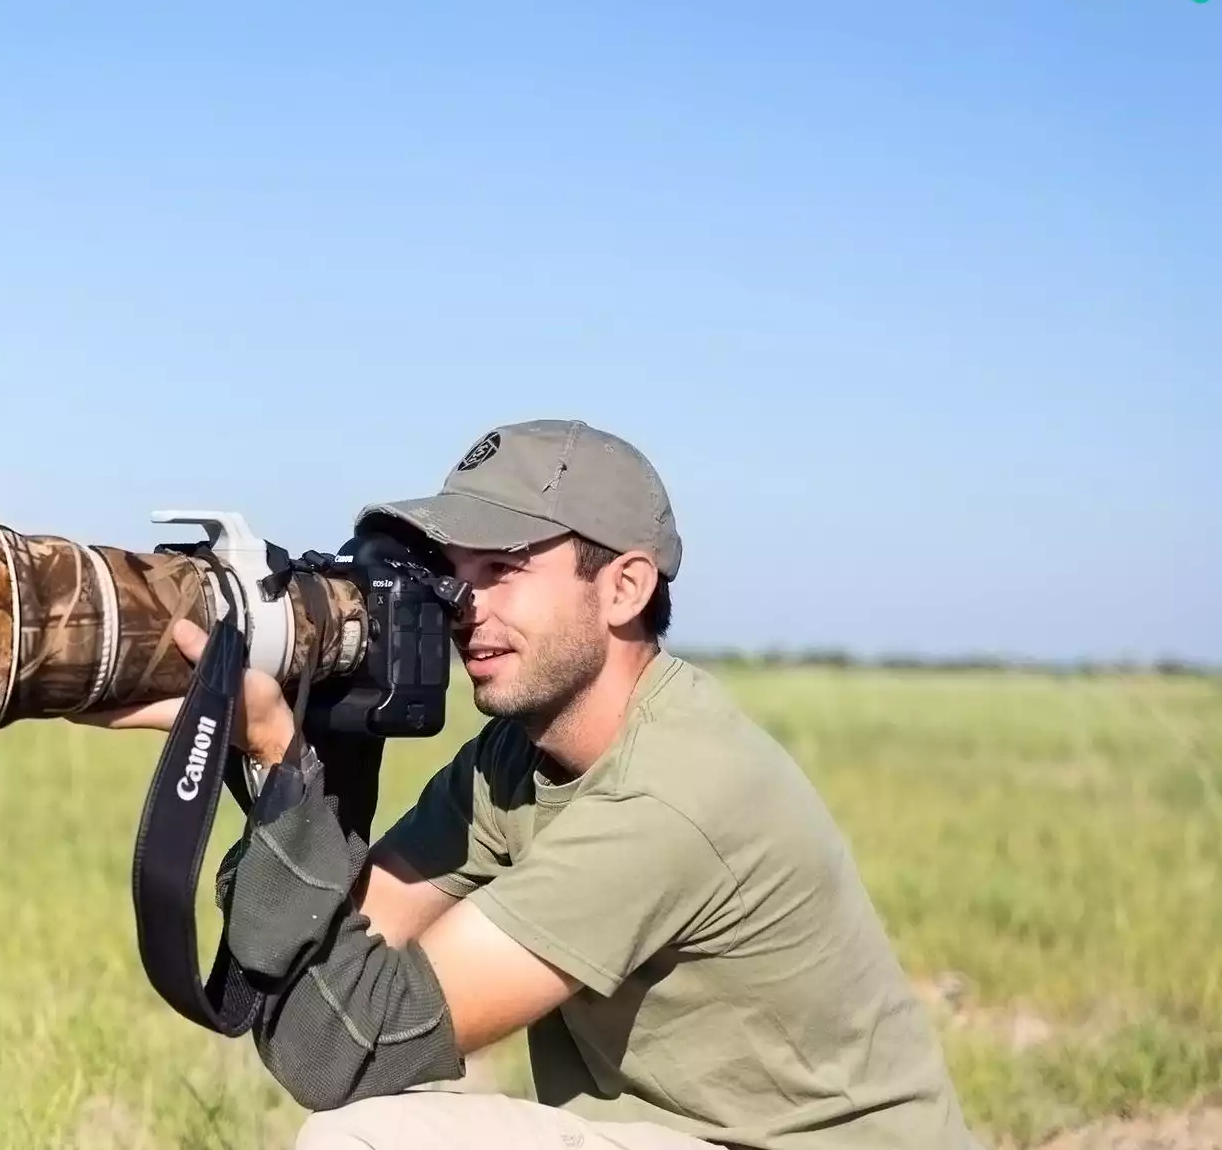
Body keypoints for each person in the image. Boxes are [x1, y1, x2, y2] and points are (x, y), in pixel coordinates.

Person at [73, 418, 977, 1149]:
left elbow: (353, 1048)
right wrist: (314, 743)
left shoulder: (672, 795)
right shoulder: (517, 761)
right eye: (453, 577)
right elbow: (316, 979)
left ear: (622, 589)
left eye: (503, 571)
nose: (466, 609)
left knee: (373, 1141)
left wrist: (280, 765)